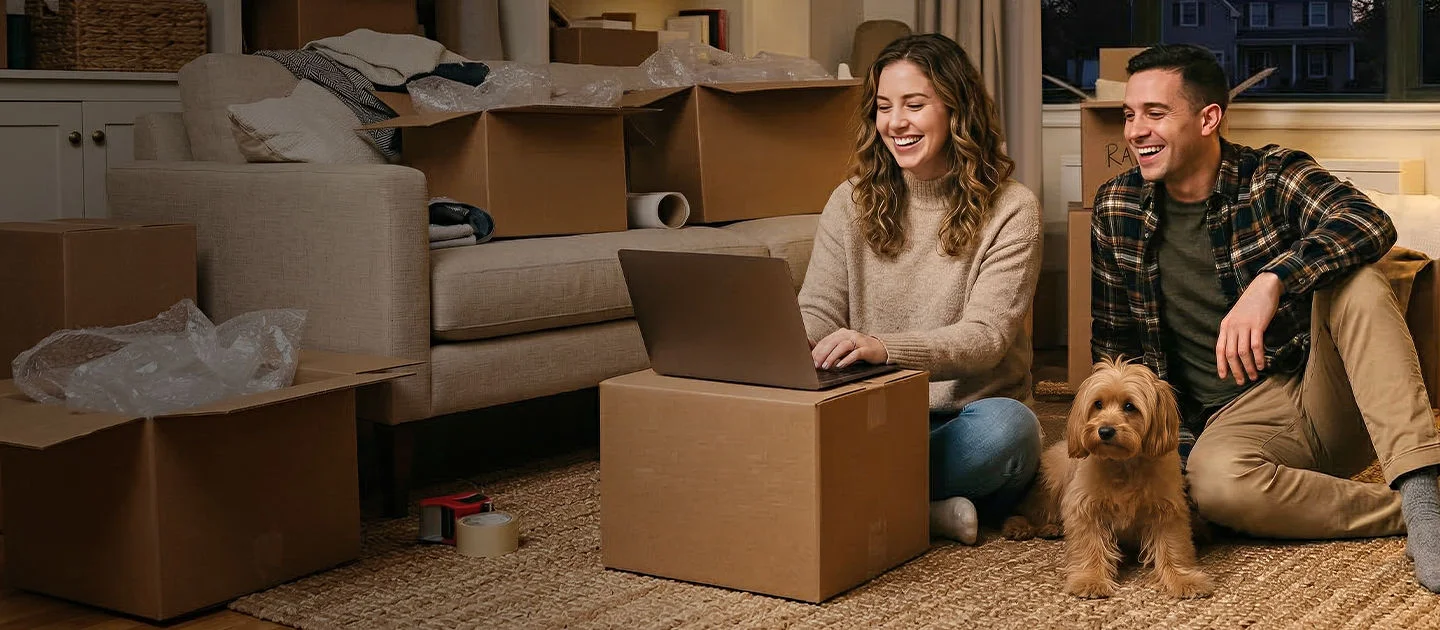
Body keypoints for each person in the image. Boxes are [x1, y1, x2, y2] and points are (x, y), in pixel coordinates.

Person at [1089, 43, 1440, 592]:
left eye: (1155, 114)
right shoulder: (1116, 208)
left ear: (1209, 118)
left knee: (1360, 279)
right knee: (1218, 488)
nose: (1135, 131)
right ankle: (1404, 512)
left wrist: (1271, 281)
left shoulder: (1271, 176)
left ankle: (1422, 490)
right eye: (1130, 115)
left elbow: (1368, 221)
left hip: (1321, 390)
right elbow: (1115, 346)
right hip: (1230, 424)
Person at [798, 33, 1044, 546]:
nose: (896, 123)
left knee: (1010, 432)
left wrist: (886, 349)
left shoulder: (1013, 208)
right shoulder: (849, 201)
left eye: (915, 105)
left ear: (957, 109)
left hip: (962, 422)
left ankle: (850, 498)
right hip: (866, 416)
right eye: (884, 107)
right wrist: (789, 351)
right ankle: (923, 512)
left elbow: (985, 338)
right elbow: (818, 308)